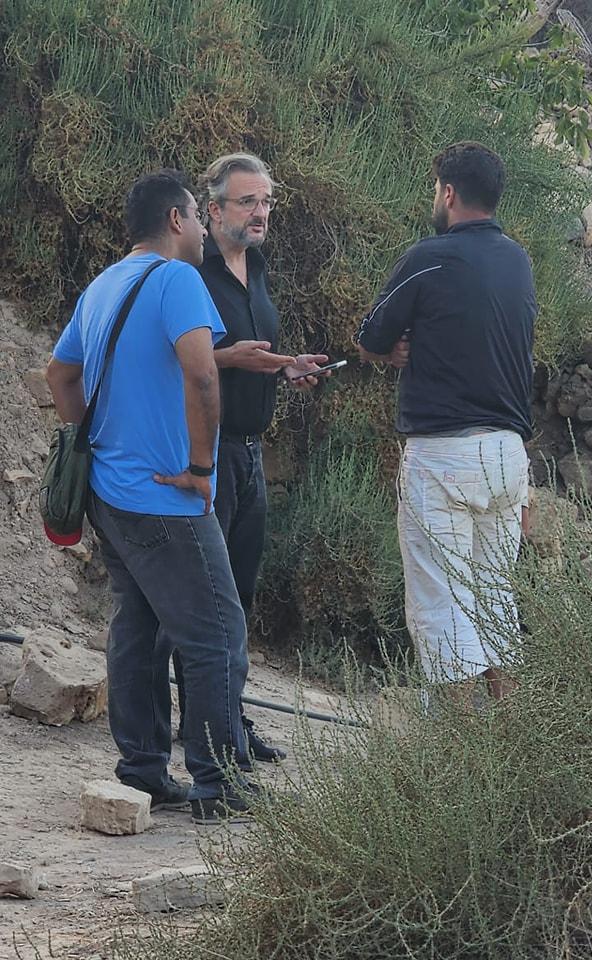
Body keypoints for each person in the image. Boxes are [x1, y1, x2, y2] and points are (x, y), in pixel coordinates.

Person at [46, 170, 258, 824]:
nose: (202, 229)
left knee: (137, 624)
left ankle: (142, 768)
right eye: (198, 216)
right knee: (217, 632)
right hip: (165, 497)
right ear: (175, 219)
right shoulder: (176, 280)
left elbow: (61, 373)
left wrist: (95, 438)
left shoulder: (104, 284)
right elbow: (200, 375)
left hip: (110, 491)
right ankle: (218, 783)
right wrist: (199, 467)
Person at [356, 142, 536, 700]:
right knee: (495, 600)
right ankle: (511, 749)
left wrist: (392, 352)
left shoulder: (429, 256)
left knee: (441, 609)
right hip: (509, 456)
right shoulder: (518, 260)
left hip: (444, 456)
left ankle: (465, 764)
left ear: (450, 193)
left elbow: (370, 336)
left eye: (436, 189)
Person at [169, 152, 330, 757]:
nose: (261, 212)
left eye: (266, 201)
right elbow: (181, 361)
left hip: (249, 452)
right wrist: (234, 357)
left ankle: (229, 721)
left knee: (239, 592)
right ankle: (199, 730)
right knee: (201, 600)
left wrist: (286, 367)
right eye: (248, 202)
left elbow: (252, 350)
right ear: (211, 210)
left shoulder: (256, 266)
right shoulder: (192, 269)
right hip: (202, 453)